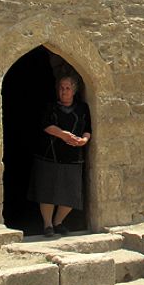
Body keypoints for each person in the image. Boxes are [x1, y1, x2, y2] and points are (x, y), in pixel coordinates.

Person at [28, 75, 91, 237]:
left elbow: (88, 128)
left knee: (70, 192)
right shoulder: (50, 107)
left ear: (74, 90)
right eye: (61, 88)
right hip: (49, 155)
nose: (64, 91)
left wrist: (83, 140)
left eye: (67, 88)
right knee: (47, 191)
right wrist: (64, 135)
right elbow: (45, 125)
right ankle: (48, 225)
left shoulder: (82, 108)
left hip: (73, 156)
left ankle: (58, 222)